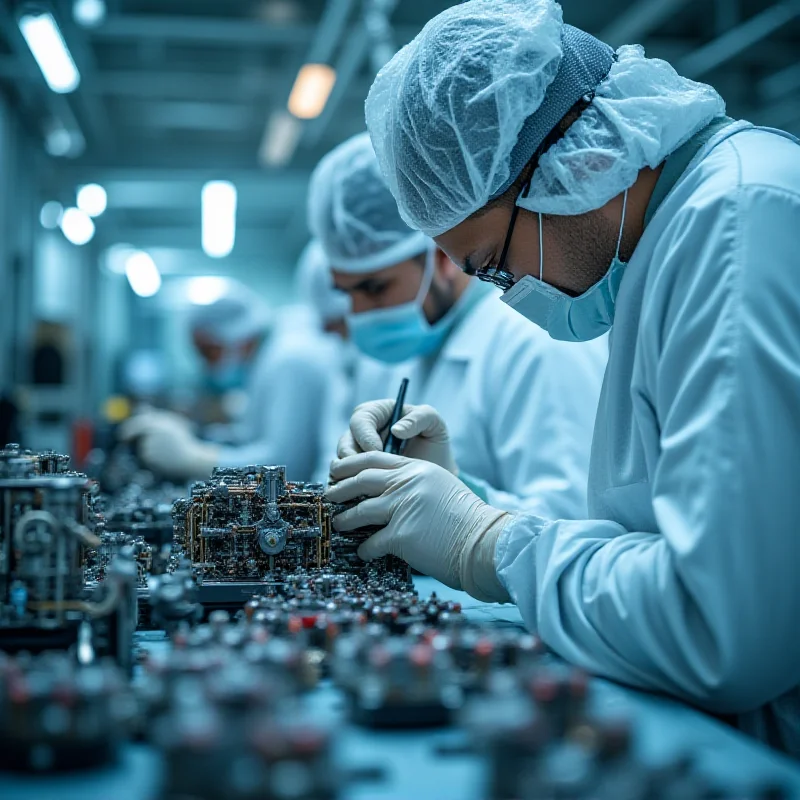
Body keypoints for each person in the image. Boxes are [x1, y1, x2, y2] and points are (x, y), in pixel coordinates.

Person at [326, 0, 800, 755]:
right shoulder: (675, 240)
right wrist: (469, 502)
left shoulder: (737, 227)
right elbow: (659, 540)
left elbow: (721, 631)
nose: (507, 290)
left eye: (487, 264)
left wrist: (492, 543)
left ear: (566, 166)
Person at [311, 132, 607, 516]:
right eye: (346, 293)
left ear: (441, 259)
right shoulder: (398, 354)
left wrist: (452, 497)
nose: (361, 313)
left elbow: (573, 520)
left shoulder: (534, 342)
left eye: (374, 287)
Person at [122, 276, 340, 483]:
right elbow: (254, 437)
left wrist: (195, 458)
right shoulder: (267, 360)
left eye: (209, 351)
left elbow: (286, 466)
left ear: (236, 335)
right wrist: (201, 437)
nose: (208, 366)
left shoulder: (289, 361)